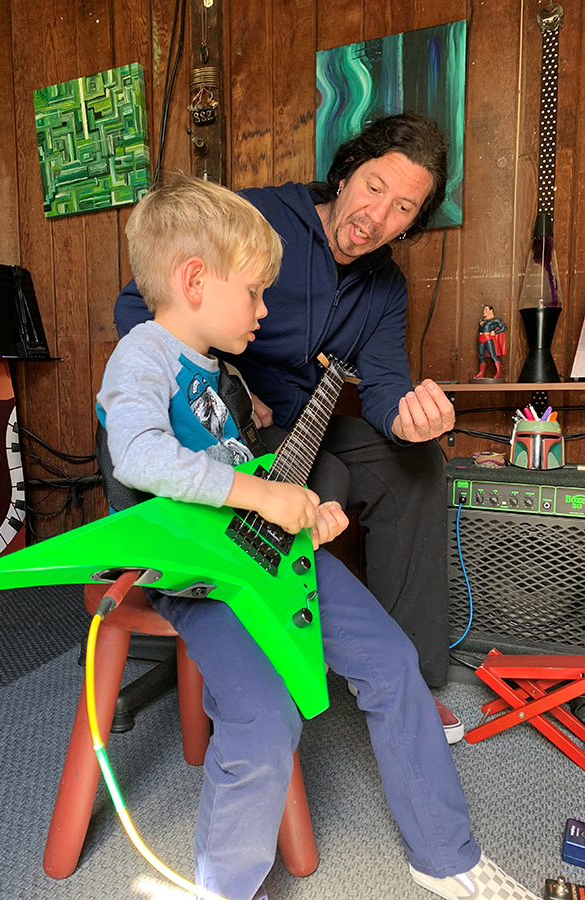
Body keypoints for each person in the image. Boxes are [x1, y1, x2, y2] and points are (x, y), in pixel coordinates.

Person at [96, 174, 539, 900]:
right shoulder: (142, 356)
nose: (264, 311)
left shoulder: (223, 376)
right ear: (194, 281)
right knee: (262, 720)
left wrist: (304, 510)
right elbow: (141, 456)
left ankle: (444, 855)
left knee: (393, 662)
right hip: (199, 578)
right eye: (253, 293)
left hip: (269, 556)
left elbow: (241, 470)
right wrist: (264, 495)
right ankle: (224, 888)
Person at [113, 113, 461, 743]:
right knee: (322, 480)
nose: (378, 216)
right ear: (347, 170)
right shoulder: (259, 217)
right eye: (375, 187)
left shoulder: (386, 286)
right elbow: (140, 303)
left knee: (418, 465)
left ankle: (407, 676)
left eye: (403, 208)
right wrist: (228, 382)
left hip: (319, 420)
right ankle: (284, 652)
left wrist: (411, 421)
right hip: (238, 427)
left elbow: (384, 388)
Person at [472, 304, 508, 381]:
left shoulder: (496, 320)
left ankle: (498, 372)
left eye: (486, 309)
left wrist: (495, 332)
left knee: (493, 355)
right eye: (484, 309)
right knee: (481, 356)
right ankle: (481, 373)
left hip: (488, 338)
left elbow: (504, 327)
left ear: (491, 311)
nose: (484, 311)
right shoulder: (483, 321)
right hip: (481, 338)